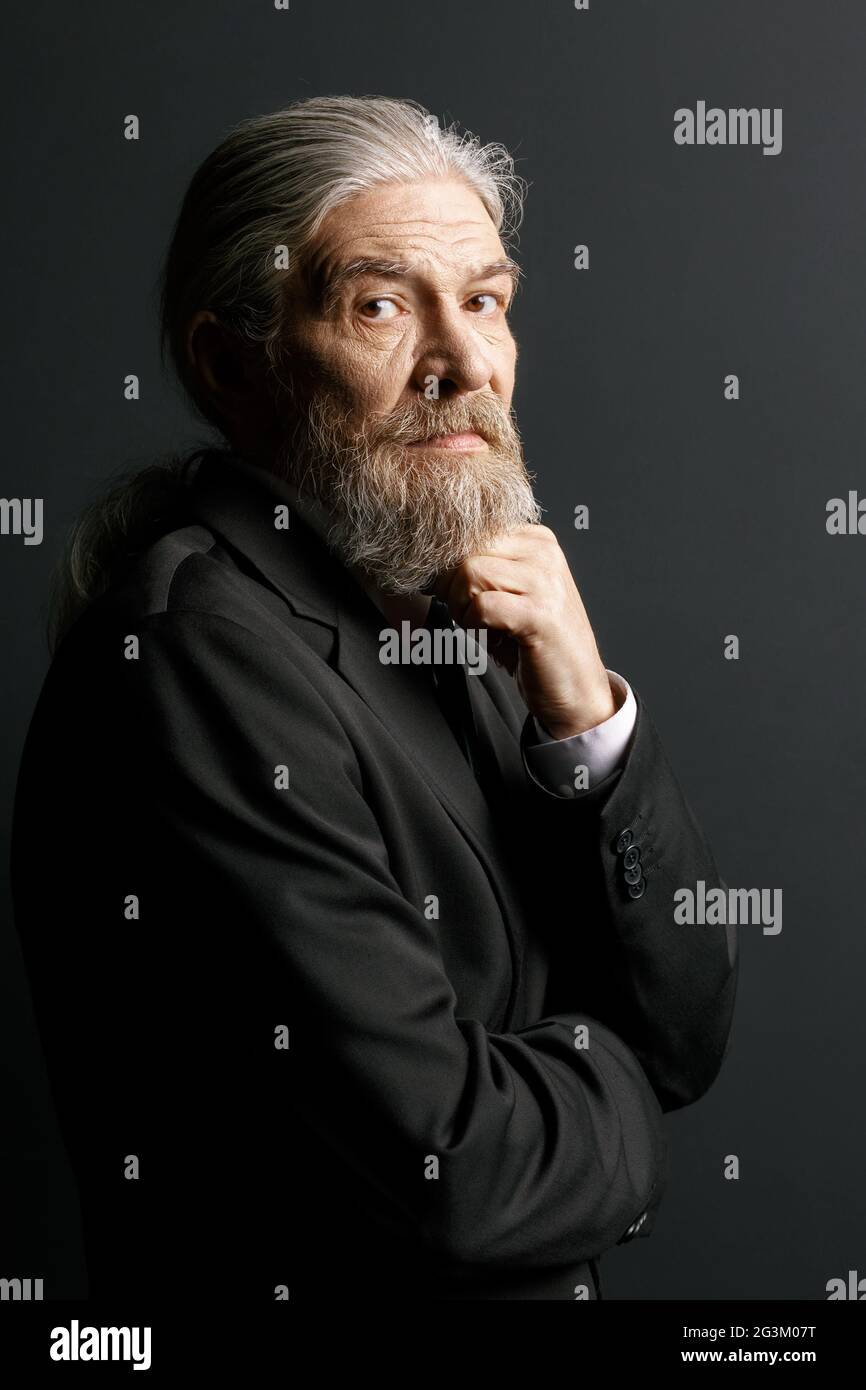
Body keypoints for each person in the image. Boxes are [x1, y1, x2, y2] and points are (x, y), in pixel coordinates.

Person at [11, 95, 738, 1302]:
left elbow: (690, 1024)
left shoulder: (447, 602)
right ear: (231, 363)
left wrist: (584, 718)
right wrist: (618, 1082)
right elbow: (461, 1170)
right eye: (381, 306)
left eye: (486, 301)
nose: (460, 364)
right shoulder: (199, 650)